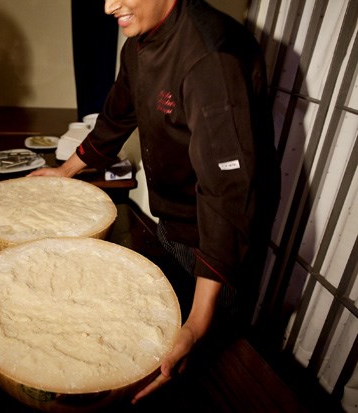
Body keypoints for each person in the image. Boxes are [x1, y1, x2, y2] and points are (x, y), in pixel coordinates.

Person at [29, 0, 281, 405]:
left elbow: (228, 194)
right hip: (172, 220)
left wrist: (197, 324)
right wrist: (66, 171)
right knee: (155, 343)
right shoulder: (139, 42)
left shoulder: (210, 57)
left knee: (199, 368)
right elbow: (116, 118)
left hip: (216, 245)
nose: (109, 7)